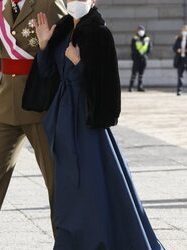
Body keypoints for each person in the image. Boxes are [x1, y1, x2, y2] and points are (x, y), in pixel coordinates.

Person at [22, 1, 166, 249]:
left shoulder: (99, 33)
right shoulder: (61, 31)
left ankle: (98, 239)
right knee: (69, 185)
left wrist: (78, 67)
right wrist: (44, 46)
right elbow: (47, 75)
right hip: (61, 120)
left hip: (87, 122)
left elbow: (103, 82)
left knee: (93, 184)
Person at [0, 0, 67, 249]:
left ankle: (66, 242)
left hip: (40, 104)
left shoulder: (48, 3)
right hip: (6, 108)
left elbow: (68, 36)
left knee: (56, 182)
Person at [129, 25, 152, 92]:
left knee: (141, 74)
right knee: (134, 73)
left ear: (144, 31)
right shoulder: (134, 38)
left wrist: (145, 55)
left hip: (144, 58)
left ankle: (140, 87)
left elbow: (150, 48)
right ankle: (131, 87)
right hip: (136, 58)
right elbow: (133, 48)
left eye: (141, 30)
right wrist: (137, 54)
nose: (140, 31)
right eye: (139, 30)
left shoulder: (147, 39)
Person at [173, 25, 187, 96]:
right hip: (180, 59)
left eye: (186, 30)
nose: (185, 31)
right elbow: (174, 48)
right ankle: (179, 90)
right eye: (184, 30)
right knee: (180, 76)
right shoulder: (178, 39)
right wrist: (178, 50)